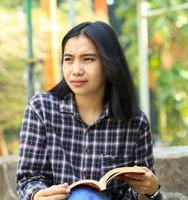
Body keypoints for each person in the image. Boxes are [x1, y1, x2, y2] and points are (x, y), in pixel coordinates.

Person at [17, 21, 162, 200]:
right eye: (68, 59)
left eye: (88, 59)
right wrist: (37, 195)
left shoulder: (134, 122)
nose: (76, 70)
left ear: (109, 63)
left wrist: (151, 190)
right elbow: (28, 179)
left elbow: (138, 192)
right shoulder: (41, 108)